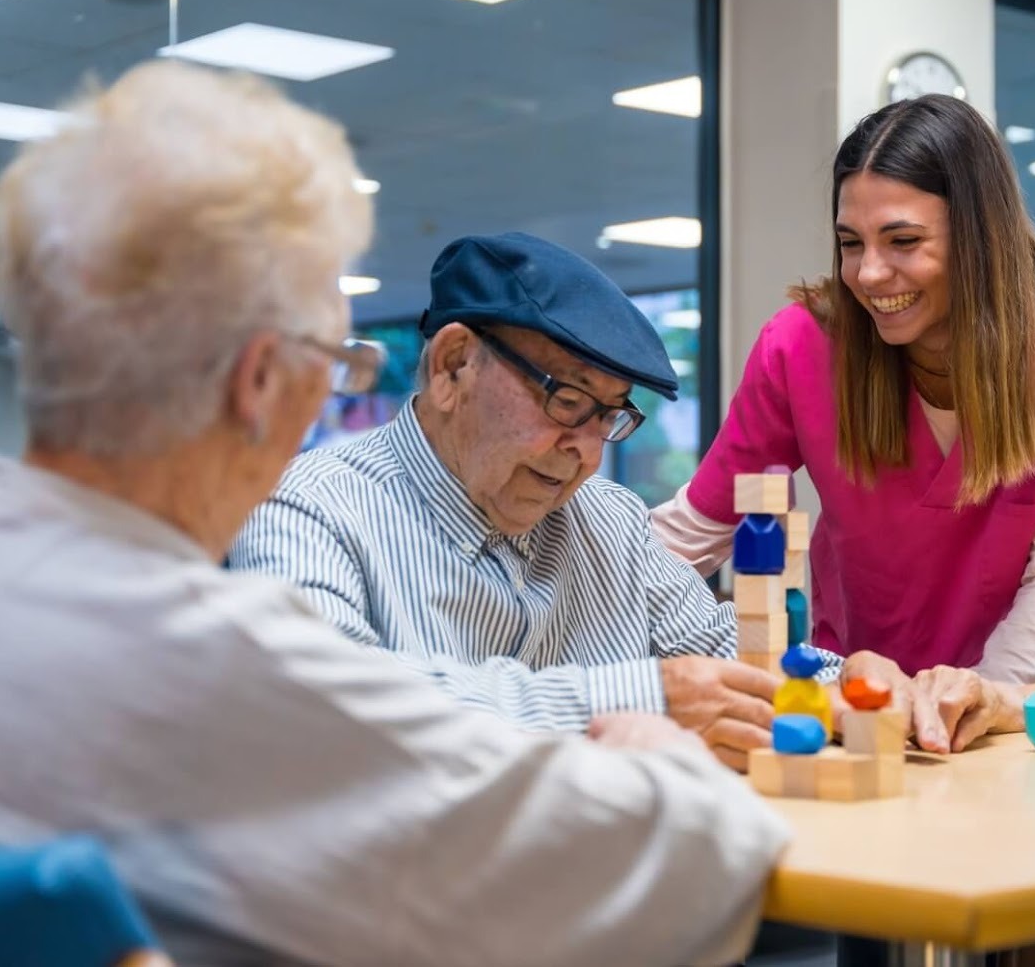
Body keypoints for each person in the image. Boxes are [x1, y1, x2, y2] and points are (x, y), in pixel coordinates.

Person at [0, 60, 787, 966]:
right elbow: (680, 872)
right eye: (337, 358)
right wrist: (647, 744)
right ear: (261, 380)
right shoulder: (225, 666)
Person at [652, 94, 1035, 706]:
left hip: (1006, 704)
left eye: (903, 240)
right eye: (851, 243)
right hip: (859, 698)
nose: (867, 274)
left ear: (978, 239)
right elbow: (692, 534)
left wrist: (979, 697)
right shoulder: (802, 347)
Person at [229, 232, 793, 769]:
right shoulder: (306, 509)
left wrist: (846, 683)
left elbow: (733, 654)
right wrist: (642, 697)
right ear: (454, 366)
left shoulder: (609, 520)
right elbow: (328, 707)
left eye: (610, 416)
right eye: (568, 401)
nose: (588, 456)